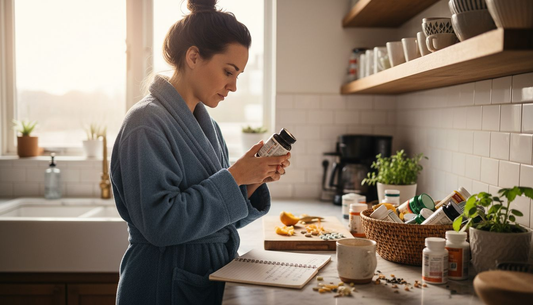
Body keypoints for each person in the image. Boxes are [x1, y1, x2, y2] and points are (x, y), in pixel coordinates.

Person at [109, 0, 290, 304]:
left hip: (202, 277)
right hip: (161, 284)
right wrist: (234, 177)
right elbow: (161, 224)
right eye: (228, 71)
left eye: (239, 75)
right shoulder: (145, 124)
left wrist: (251, 182)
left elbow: (216, 218)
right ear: (194, 56)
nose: (233, 86)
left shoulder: (209, 127)